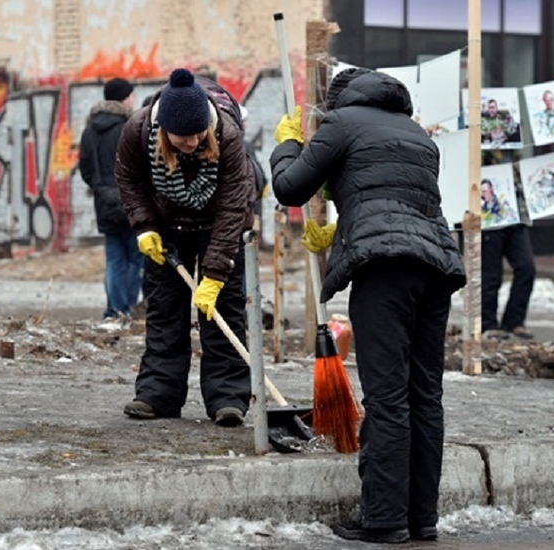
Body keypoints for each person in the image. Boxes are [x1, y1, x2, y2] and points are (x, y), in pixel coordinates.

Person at [270, 67, 466, 544]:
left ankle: (383, 518)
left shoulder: (341, 123)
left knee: (387, 395)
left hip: (386, 271)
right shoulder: (417, 134)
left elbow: (290, 188)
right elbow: (386, 196)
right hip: (435, 267)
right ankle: (422, 517)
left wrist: (288, 146)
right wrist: (341, 230)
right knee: (424, 395)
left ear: (341, 100)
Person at [115, 68, 256, 426]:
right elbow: (128, 178)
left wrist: (215, 271)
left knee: (223, 309)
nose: (192, 142)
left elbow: (233, 205)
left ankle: (227, 397)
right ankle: (157, 393)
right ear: (163, 130)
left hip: (220, 225)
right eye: (182, 137)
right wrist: (145, 227)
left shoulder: (227, 133)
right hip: (167, 226)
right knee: (165, 309)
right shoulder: (137, 130)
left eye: (198, 135)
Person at [78, 77, 143, 320]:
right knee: (135, 259)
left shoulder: (89, 130)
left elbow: (85, 170)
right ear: (125, 98)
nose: (134, 100)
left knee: (114, 258)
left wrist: (99, 188)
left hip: (104, 203)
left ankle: (114, 310)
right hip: (129, 201)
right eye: (131, 95)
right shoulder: (127, 128)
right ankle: (128, 308)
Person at [481, 174, 536, 340]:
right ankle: (488, 323)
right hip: (488, 220)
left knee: (527, 268)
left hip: (515, 215)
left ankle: (514, 320)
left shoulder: (516, 154)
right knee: (491, 274)